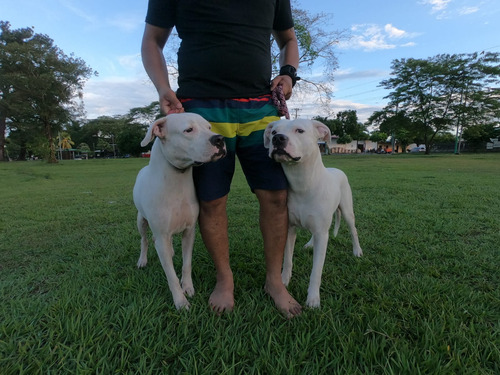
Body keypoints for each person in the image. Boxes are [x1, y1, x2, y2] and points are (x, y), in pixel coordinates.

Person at [141, 0, 302, 318]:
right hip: (202, 107)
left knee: (276, 196)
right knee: (212, 200)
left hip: (259, 107)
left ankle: (274, 281)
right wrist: (162, 87)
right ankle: (224, 279)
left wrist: (288, 74)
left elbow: (288, 39)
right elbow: (152, 40)